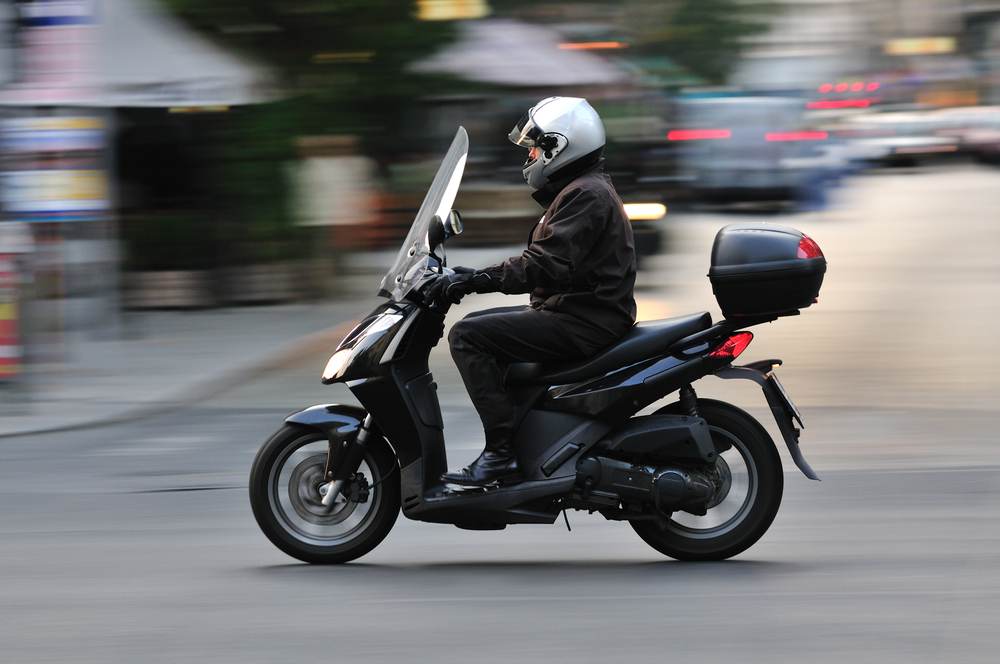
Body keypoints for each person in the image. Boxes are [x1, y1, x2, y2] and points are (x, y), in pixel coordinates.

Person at [429, 97, 637, 487]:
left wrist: (476, 280)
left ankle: (501, 457)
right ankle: (526, 446)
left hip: (583, 322)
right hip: (578, 313)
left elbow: (543, 265)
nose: (530, 155)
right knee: (482, 329)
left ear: (561, 147)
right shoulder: (581, 188)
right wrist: (471, 277)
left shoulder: (584, 195)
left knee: (468, 336)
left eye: (536, 147)